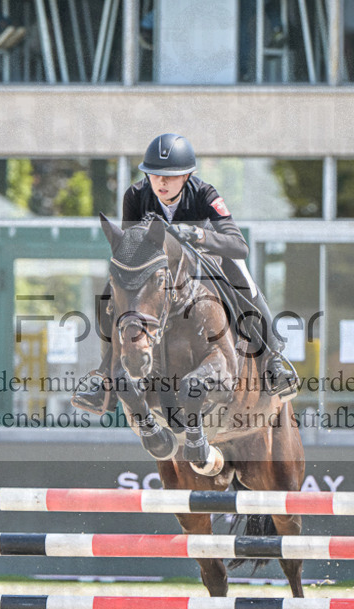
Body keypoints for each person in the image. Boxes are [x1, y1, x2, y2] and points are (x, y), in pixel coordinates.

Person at [72, 133, 298, 414]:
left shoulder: (205, 194)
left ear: (188, 176)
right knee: (114, 290)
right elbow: (131, 250)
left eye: (171, 176)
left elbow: (238, 245)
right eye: (154, 175)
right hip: (157, 272)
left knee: (243, 276)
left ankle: (274, 359)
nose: (161, 182)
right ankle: (106, 376)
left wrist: (199, 234)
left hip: (203, 264)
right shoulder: (134, 196)